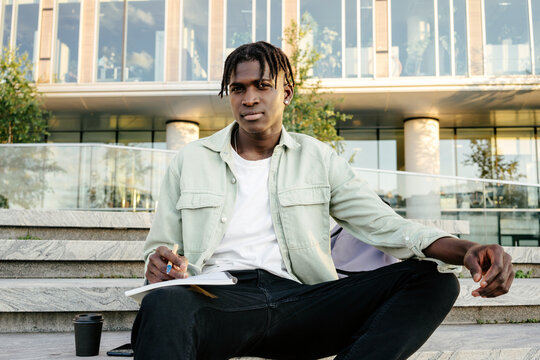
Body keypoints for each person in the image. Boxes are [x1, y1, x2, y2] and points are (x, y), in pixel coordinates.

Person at [131, 41, 514, 360]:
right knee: (163, 305)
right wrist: (160, 264)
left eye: (262, 85)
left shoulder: (317, 158)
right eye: (238, 88)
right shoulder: (191, 159)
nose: (249, 99)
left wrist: (467, 248)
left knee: (434, 281)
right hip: (219, 303)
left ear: (286, 92)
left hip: (303, 302)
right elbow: (160, 249)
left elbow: (387, 225)